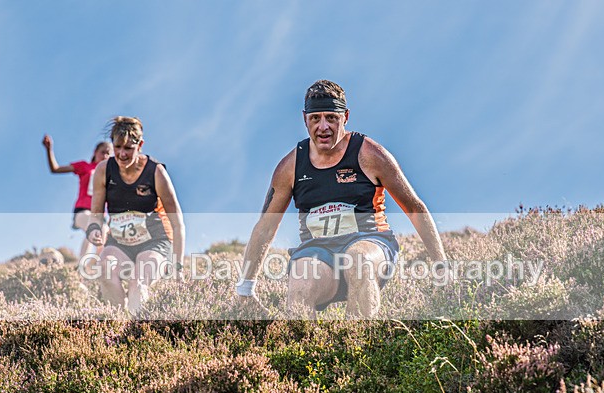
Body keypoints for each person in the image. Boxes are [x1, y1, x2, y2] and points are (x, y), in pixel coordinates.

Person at [237, 80, 447, 318]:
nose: (323, 127)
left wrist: (440, 264)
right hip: (318, 250)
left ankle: (357, 346)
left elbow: (414, 206)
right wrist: (246, 287)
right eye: (315, 118)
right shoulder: (291, 166)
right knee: (301, 281)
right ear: (305, 119)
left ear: (345, 117)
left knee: (358, 260)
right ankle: (307, 352)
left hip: (369, 242)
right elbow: (265, 227)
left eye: (331, 118)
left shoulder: (370, 154)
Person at [85, 116, 186, 314]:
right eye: (117, 147)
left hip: (155, 240)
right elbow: (96, 214)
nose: (122, 154)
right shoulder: (103, 170)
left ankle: (137, 330)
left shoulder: (156, 173)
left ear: (140, 145)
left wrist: (178, 267)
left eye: (128, 148)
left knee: (138, 283)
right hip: (119, 242)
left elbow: (178, 224)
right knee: (105, 271)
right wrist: (94, 228)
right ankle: (118, 325)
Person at [42, 134, 112, 261]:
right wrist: (49, 149)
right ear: (95, 152)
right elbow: (55, 169)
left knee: (102, 233)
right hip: (82, 211)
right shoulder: (84, 166)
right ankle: (83, 269)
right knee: (95, 227)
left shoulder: (110, 175)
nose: (105, 156)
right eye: (103, 152)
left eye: (108, 154)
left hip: (101, 215)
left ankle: (95, 269)